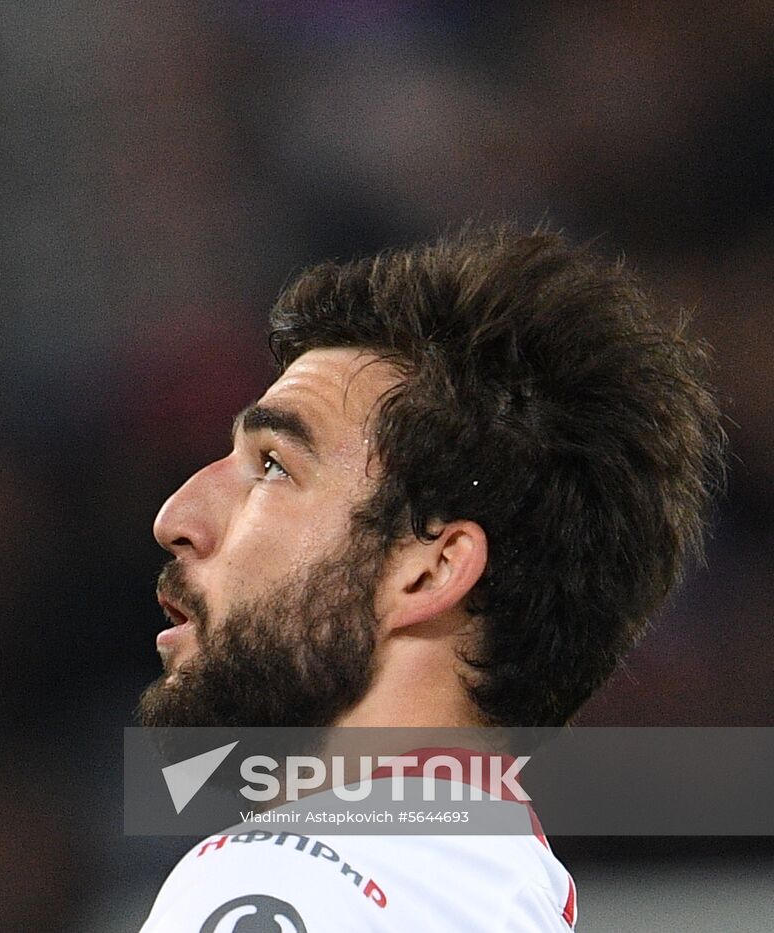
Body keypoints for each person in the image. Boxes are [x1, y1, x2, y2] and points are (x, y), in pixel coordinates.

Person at [135, 225, 726, 931]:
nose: (177, 516)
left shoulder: (275, 880)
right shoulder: (502, 894)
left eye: (273, 466)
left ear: (430, 569)